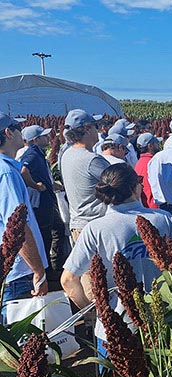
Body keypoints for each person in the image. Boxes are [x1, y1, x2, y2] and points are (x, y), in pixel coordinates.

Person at [60, 164, 172, 374]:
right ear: (135, 188)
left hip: (115, 328)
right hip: (162, 321)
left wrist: (97, 312)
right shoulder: (162, 219)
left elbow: (68, 280)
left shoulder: (95, 229)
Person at [0, 113, 49, 320]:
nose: (22, 132)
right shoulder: (7, 174)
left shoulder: (9, 169)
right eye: (17, 128)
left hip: (10, 270)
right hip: (19, 272)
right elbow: (17, 226)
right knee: (19, 342)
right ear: (8, 133)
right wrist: (38, 271)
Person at [19, 125, 66, 276]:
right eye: (44, 136)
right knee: (45, 235)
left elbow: (42, 175)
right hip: (40, 204)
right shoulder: (32, 153)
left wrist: (53, 185)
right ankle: (46, 271)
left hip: (48, 200)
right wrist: (35, 186)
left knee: (58, 229)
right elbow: (23, 171)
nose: (48, 138)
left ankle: (55, 265)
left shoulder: (39, 153)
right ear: (36, 140)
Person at [60, 109, 110, 242]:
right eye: (96, 126)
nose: (98, 130)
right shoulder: (92, 159)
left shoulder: (67, 154)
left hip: (78, 224)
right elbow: (121, 181)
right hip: (94, 226)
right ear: (87, 129)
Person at [133, 132, 161, 209]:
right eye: (156, 143)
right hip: (154, 206)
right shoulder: (152, 163)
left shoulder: (139, 163)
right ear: (150, 146)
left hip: (145, 205)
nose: (158, 145)